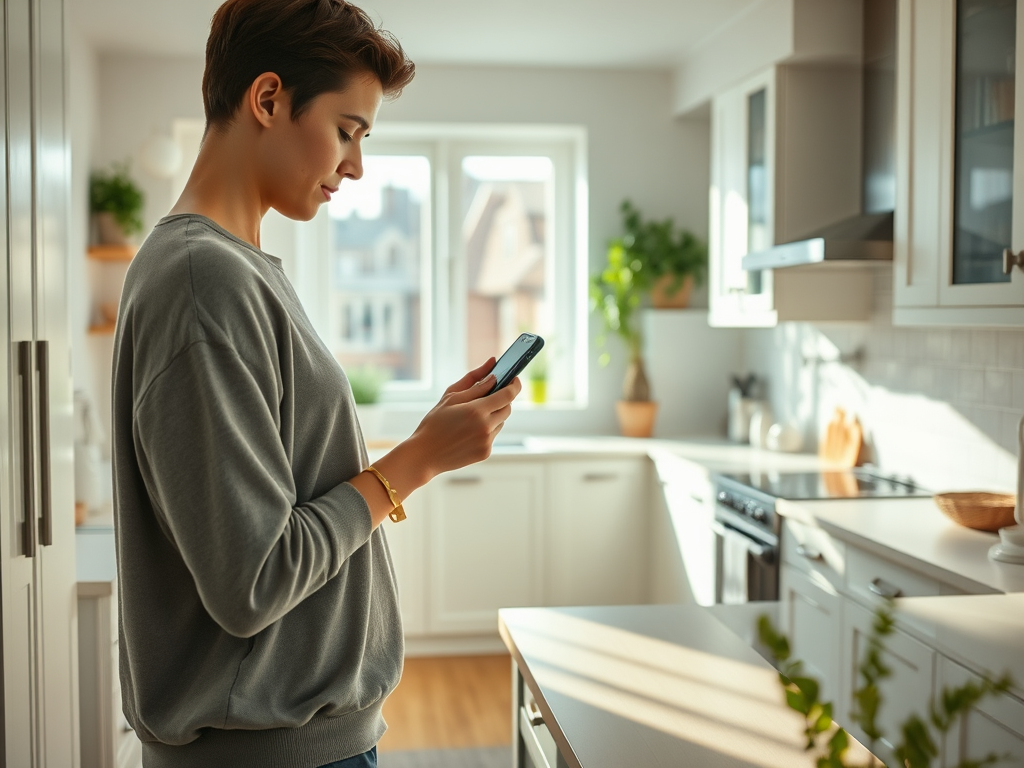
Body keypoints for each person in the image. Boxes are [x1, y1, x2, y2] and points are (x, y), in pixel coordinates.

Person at [110, 1, 522, 766]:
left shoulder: (239, 270)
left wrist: (423, 441)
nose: (357, 165)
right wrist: (416, 464)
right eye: (347, 131)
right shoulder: (204, 280)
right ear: (267, 99)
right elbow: (254, 579)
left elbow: (290, 492)